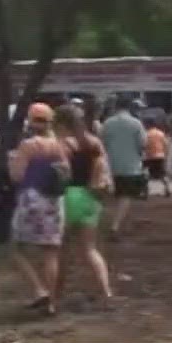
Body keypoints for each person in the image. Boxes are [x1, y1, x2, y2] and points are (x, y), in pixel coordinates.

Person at [8, 103, 69, 314]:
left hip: (31, 199)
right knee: (51, 252)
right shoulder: (59, 145)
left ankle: (38, 289)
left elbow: (16, 176)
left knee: (16, 248)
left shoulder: (28, 145)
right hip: (54, 200)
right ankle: (52, 302)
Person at [53, 104, 113, 305]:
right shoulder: (94, 141)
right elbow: (104, 169)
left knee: (61, 252)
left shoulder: (63, 143)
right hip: (91, 197)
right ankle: (106, 293)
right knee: (90, 249)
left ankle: (55, 296)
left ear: (61, 123)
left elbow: (61, 173)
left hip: (68, 196)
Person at [100, 96, 148, 239]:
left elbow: (101, 144)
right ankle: (115, 226)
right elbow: (143, 144)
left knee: (111, 196)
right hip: (131, 165)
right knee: (125, 196)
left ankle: (110, 224)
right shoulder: (136, 123)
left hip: (110, 165)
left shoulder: (107, 123)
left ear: (115, 106)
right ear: (130, 107)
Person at [143, 122, 172, 198]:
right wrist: (165, 155)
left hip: (149, 157)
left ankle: (145, 191)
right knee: (163, 174)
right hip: (160, 156)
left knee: (146, 174)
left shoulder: (146, 134)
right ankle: (167, 189)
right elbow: (166, 145)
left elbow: (144, 145)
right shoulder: (160, 133)